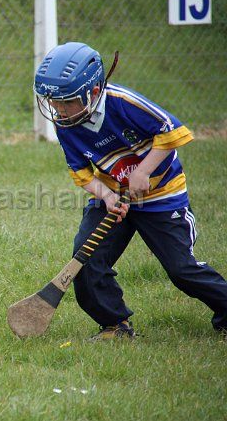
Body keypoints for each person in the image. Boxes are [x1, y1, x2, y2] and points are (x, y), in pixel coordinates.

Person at [33, 41, 227, 340]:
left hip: (161, 196)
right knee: (87, 262)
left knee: (182, 271)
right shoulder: (66, 124)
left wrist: (144, 170)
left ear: (93, 92)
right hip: (112, 195)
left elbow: (173, 131)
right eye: (53, 102)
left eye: (67, 101)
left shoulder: (123, 103)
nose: (59, 110)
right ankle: (115, 325)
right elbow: (80, 172)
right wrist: (107, 196)